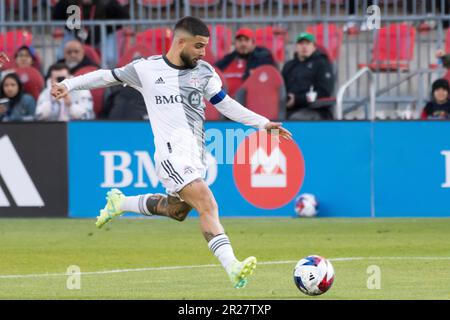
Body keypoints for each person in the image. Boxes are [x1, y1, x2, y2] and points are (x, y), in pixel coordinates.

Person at [52, 16, 291, 289]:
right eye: (199, 46)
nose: (203, 53)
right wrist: (69, 84)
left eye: (205, 47)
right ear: (180, 42)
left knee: (177, 211)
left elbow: (225, 105)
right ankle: (233, 267)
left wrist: (262, 123)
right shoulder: (145, 69)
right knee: (208, 204)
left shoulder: (204, 72)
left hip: (194, 155)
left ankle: (121, 203)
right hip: (170, 154)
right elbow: (106, 76)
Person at [52, 0, 130, 67]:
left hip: (103, 34)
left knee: (110, 57)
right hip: (75, 34)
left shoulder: (107, 2)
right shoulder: (70, 2)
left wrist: (110, 3)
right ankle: (67, 76)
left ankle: (109, 80)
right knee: (61, 55)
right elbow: (55, 16)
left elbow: (125, 17)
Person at [282, 32, 335, 120]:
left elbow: (324, 91)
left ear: (314, 47)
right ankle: (273, 134)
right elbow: (280, 88)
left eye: (308, 43)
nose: (304, 46)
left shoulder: (321, 64)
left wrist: (297, 100)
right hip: (289, 109)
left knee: (295, 119)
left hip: (314, 109)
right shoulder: (289, 66)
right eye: (301, 43)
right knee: (272, 124)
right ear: (296, 47)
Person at [215, 28, 277, 98]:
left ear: (253, 43)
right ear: (235, 43)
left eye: (246, 40)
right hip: (224, 102)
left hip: (249, 102)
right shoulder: (227, 60)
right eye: (240, 40)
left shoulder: (261, 60)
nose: (243, 44)